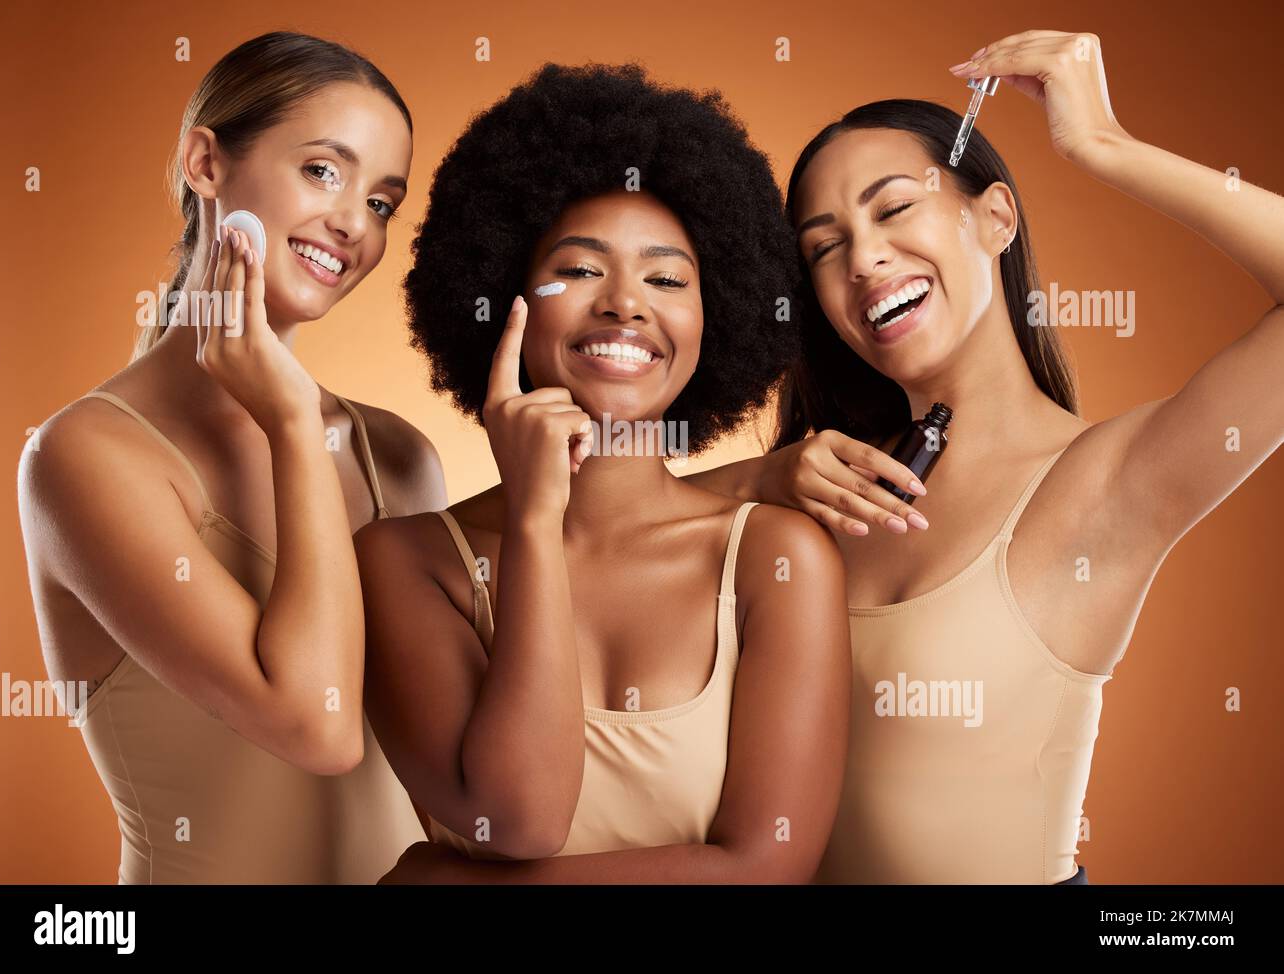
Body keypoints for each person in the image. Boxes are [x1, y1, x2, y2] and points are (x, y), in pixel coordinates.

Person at [686, 30, 1284, 883]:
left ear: (995, 217)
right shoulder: (816, 484)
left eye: (894, 209)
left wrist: (1105, 146)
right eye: (824, 246)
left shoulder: (1103, 484)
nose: (864, 259)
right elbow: (607, 527)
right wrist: (764, 476)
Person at [359, 63, 854, 883]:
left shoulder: (777, 559)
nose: (627, 303)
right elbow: (517, 817)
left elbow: (766, 870)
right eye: (581, 270)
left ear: (715, 320)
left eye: (667, 279)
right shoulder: (405, 562)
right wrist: (531, 520)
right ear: (501, 294)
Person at [16, 31, 444, 883]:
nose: (354, 222)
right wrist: (290, 419)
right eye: (323, 170)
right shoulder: (86, 456)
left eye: (385, 202)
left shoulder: (395, 452)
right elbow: (315, 726)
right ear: (205, 163)